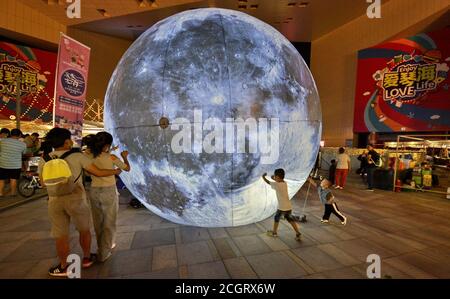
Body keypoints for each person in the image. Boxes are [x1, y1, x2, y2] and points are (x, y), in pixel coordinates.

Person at [43, 128, 122, 277]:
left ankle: (64, 266)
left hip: (54, 201)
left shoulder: (45, 158)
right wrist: (115, 172)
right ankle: (86, 258)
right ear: (67, 141)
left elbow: (43, 183)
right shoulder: (77, 156)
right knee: (84, 230)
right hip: (76, 198)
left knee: (61, 235)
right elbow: (97, 172)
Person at [87, 132, 130, 262]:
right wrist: (124, 157)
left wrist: (111, 149)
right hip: (109, 191)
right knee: (109, 222)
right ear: (106, 145)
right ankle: (104, 252)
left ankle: (101, 247)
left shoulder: (87, 156)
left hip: (94, 191)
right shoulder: (111, 158)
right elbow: (126, 168)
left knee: (98, 221)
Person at [262, 169, 301, 241]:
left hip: (282, 207)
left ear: (278, 177)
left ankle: (274, 232)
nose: (274, 177)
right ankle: (298, 232)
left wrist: (263, 177)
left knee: (276, 218)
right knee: (290, 219)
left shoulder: (277, 184)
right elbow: (276, 179)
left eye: (275, 176)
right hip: (288, 206)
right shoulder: (284, 183)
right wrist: (274, 177)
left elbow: (268, 182)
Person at [0, 129, 26, 197]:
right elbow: (24, 153)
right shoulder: (23, 144)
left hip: (3, 163)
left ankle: (0, 193)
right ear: (20, 135)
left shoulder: (2, 141)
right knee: (13, 179)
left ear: (10, 134)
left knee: (1, 179)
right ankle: (13, 193)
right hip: (15, 165)